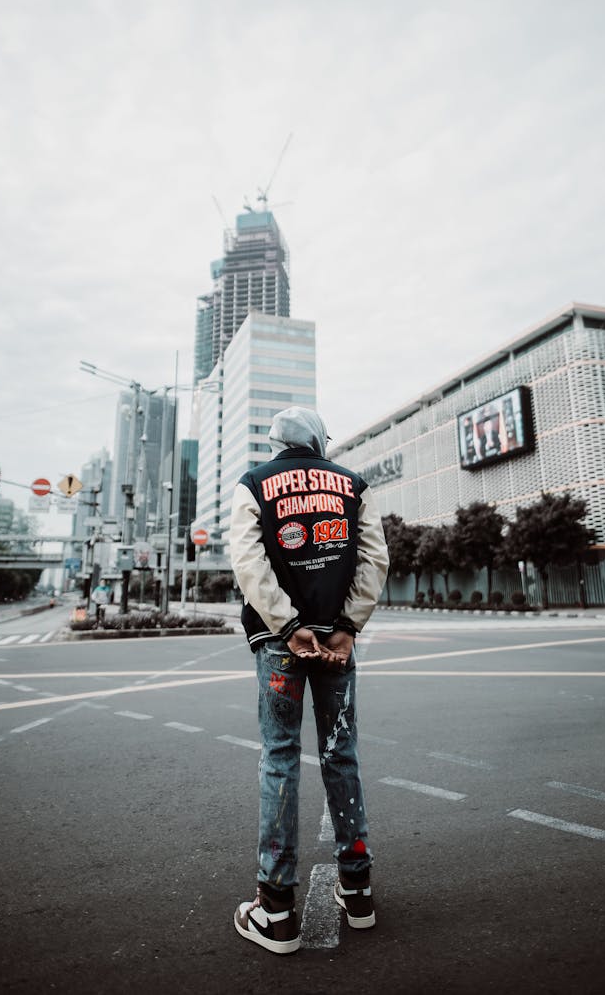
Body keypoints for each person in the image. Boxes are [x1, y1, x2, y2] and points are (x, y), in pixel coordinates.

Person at [229, 406, 389, 955]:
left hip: (280, 643)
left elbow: (249, 566)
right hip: (336, 641)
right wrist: (345, 627)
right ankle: (358, 888)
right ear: (320, 440)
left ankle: (275, 909)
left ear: (275, 443)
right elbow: (374, 560)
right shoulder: (354, 484)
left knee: (279, 757)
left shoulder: (252, 485)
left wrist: (288, 625)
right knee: (341, 753)